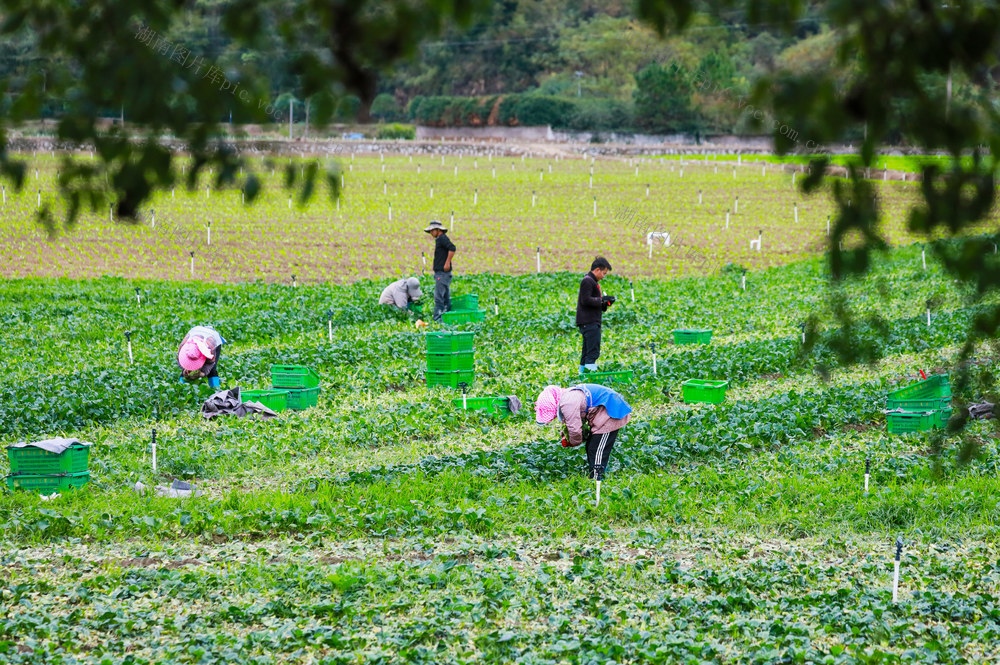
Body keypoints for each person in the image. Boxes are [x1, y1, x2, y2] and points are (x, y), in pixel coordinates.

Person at [535, 383, 632, 491]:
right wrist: (565, 435)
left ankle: (598, 479)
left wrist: (572, 442)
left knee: (597, 449)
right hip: (600, 414)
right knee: (591, 446)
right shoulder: (566, 397)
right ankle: (594, 476)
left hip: (610, 412)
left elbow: (574, 429)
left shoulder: (568, 402)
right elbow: (568, 420)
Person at [576, 256, 616, 374]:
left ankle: (582, 376)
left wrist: (606, 302)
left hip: (588, 322)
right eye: (603, 273)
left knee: (587, 352)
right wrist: (602, 300)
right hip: (589, 322)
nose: (604, 276)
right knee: (593, 352)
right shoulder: (588, 281)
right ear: (597, 270)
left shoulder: (592, 281)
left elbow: (593, 302)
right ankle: (589, 378)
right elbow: (586, 300)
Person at [424, 219, 456, 322]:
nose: (431, 233)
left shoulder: (442, 238)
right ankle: (446, 318)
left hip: (442, 274)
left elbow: (452, 248)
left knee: (439, 298)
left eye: (432, 231)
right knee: (446, 298)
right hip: (443, 274)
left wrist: (447, 263)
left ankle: (437, 319)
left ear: (438, 230)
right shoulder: (440, 239)